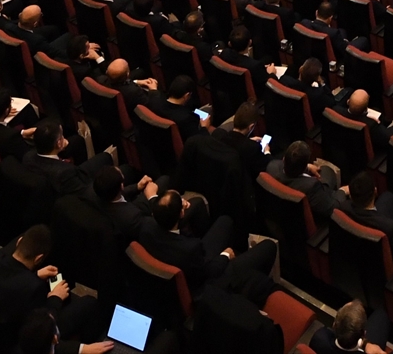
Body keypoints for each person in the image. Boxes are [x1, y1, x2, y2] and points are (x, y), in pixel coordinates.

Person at [0, 224, 101, 354]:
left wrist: (33, 275)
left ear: (19, 242)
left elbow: (6, 279)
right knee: (88, 302)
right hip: (10, 346)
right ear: (39, 258)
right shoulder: (34, 288)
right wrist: (55, 298)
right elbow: (39, 330)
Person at [138, 189, 277, 290]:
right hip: (205, 284)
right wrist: (226, 255)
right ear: (181, 213)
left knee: (225, 221)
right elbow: (209, 272)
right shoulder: (190, 248)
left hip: (183, 261)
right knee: (269, 246)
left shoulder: (145, 226)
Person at [24, 119, 115, 197]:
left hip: (53, 171)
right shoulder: (65, 173)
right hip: (76, 182)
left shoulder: (28, 157)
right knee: (105, 157)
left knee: (77, 140)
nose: (64, 138)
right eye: (62, 136)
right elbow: (83, 192)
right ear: (59, 144)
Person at [309, 300, 393, 354]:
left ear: (334, 325)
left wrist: (365, 345)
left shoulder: (319, 338)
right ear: (364, 333)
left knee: (381, 315)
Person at [268, 140, 349, 220]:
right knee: (327, 171)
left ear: (284, 159)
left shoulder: (272, 167)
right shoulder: (311, 187)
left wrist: (307, 167)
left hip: (278, 212)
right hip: (308, 218)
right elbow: (332, 208)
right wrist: (342, 191)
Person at [213, 100, 271, 182]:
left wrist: (247, 141)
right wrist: (267, 152)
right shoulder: (252, 148)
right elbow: (266, 166)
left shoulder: (218, 135)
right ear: (251, 127)